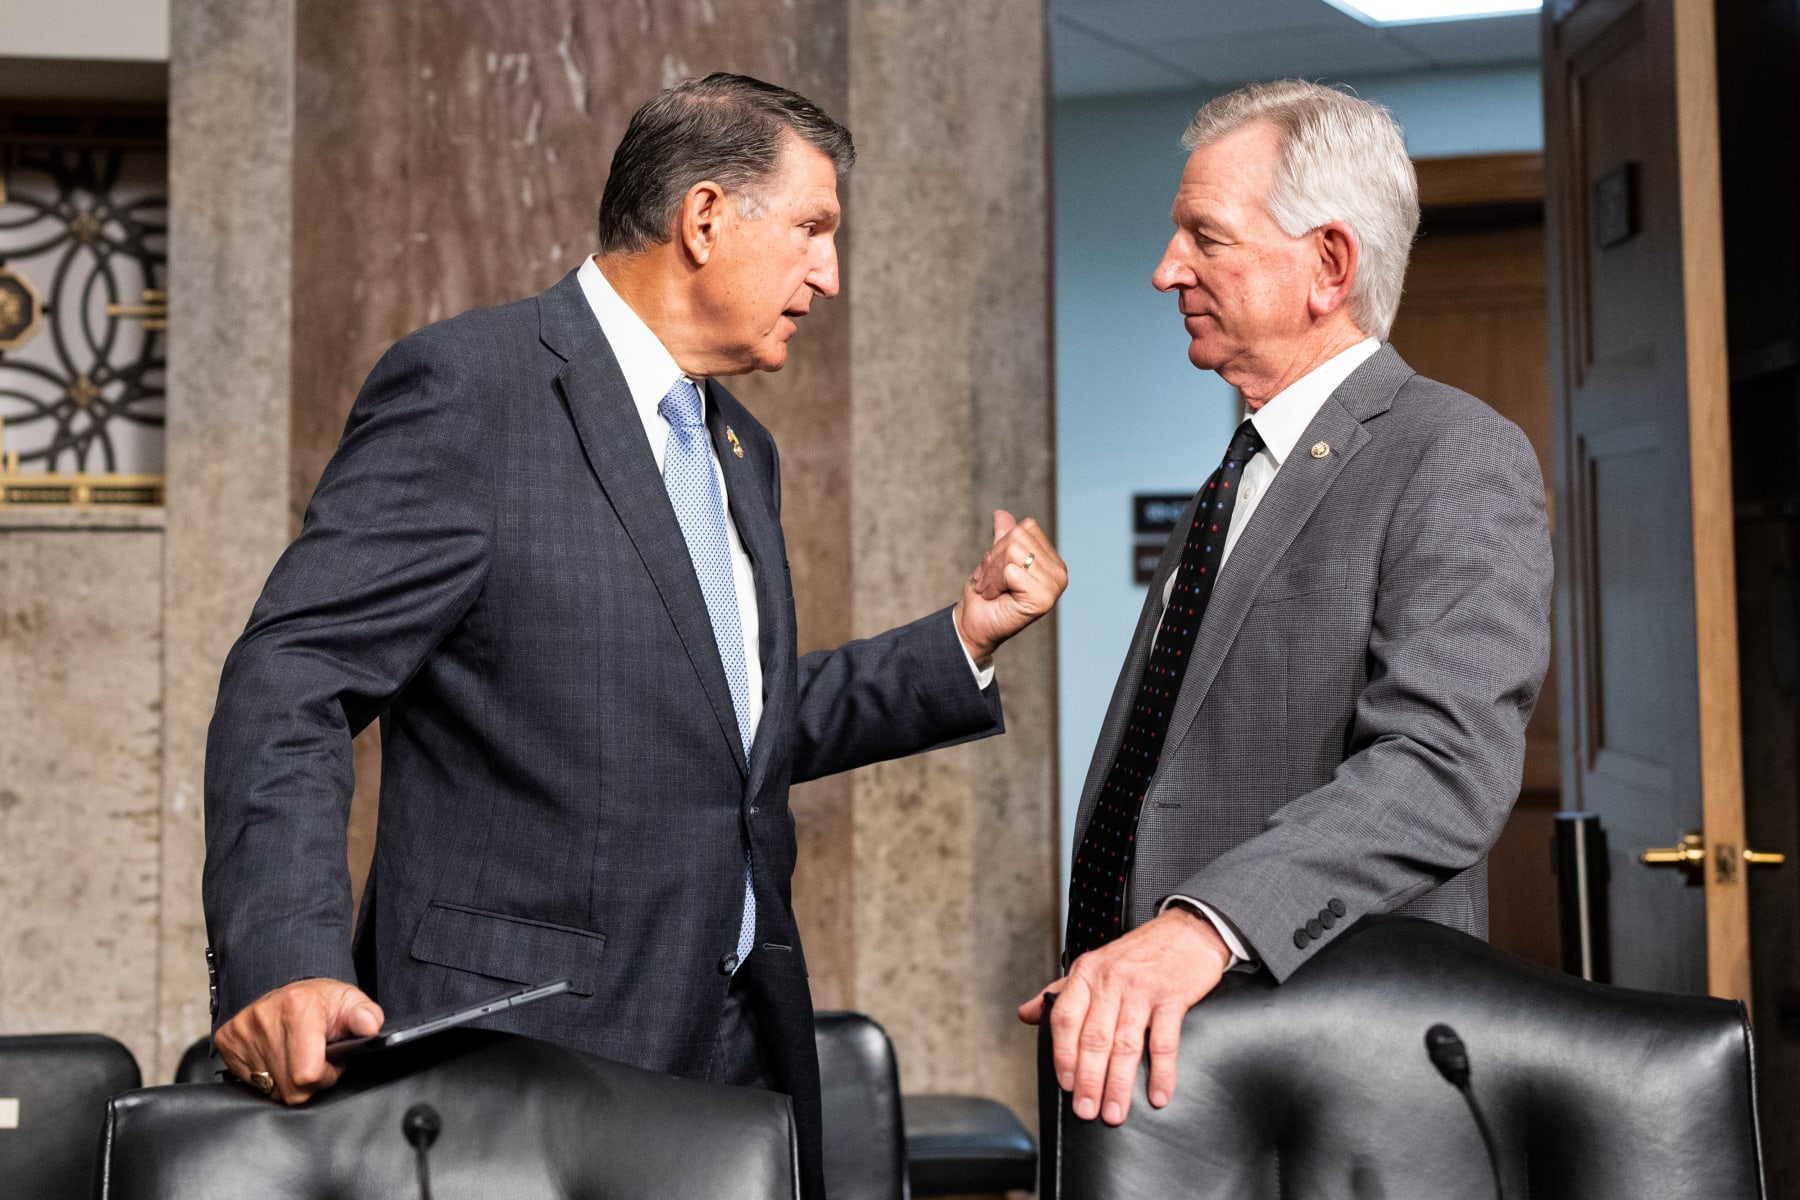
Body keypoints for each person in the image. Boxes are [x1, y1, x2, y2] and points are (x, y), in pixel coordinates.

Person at [202, 72, 1066, 1199]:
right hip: (526, 1061)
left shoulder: (742, 450)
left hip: (739, 1053)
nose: (830, 275)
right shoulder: (472, 392)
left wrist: (960, 640)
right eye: (813, 229)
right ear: (705, 218)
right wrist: (285, 958)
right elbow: (295, 674)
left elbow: (734, 730)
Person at [1020, 79, 1551, 1131]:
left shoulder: (1456, 454)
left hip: (1321, 1072)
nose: (1168, 269)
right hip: (1160, 1052)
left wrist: (1202, 927)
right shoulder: (1238, 473)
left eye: (1206, 238)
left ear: (1329, 266)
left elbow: (1442, 766)